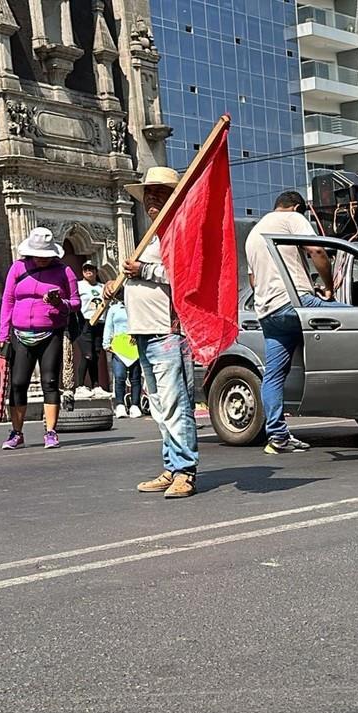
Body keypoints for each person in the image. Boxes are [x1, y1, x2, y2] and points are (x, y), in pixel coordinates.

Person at [122, 165, 200, 498]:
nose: (151, 198)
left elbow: (185, 274)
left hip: (167, 330)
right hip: (145, 330)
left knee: (175, 402)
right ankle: (172, 466)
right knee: (159, 404)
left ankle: (185, 470)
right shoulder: (153, 233)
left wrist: (144, 269)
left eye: (159, 192)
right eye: (148, 192)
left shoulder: (178, 230)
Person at [247, 190, 339, 454]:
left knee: (274, 375)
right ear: (297, 207)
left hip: (268, 311)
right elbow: (317, 251)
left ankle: (277, 437)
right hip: (296, 304)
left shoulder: (254, 234)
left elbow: (254, 281)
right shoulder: (292, 219)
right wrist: (329, 287)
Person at [0, 227, 80, 450]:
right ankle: (16, 432)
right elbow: (8, 301)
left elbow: (75, 303)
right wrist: (3, 333)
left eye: (46, 256)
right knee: (18, 383)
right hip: (20, 334)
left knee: (50, 382)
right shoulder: (17, 268)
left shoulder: (65, 272)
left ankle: (51, 431)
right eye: (38, 255)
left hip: (50, 333)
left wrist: (58, 304)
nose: (42, 260)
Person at [101, 296, 143, 419]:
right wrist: (106, 342)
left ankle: (135, 405)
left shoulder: (137, 306)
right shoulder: (114, 309)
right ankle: (120, 405)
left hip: (134, 344)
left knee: (135, 377)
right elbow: (108, 325)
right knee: (119, 376)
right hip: (119, 345)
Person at [73, 261, 109, 399]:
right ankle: (80, 385)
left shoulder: (101, 286)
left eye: (91, 269)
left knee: (96, 353)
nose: (89, 271)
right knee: (87, 354)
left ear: (96, 271)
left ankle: (96, 385)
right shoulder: (79, 285)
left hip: (100, 320)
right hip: (85, 321)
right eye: (85, 269)